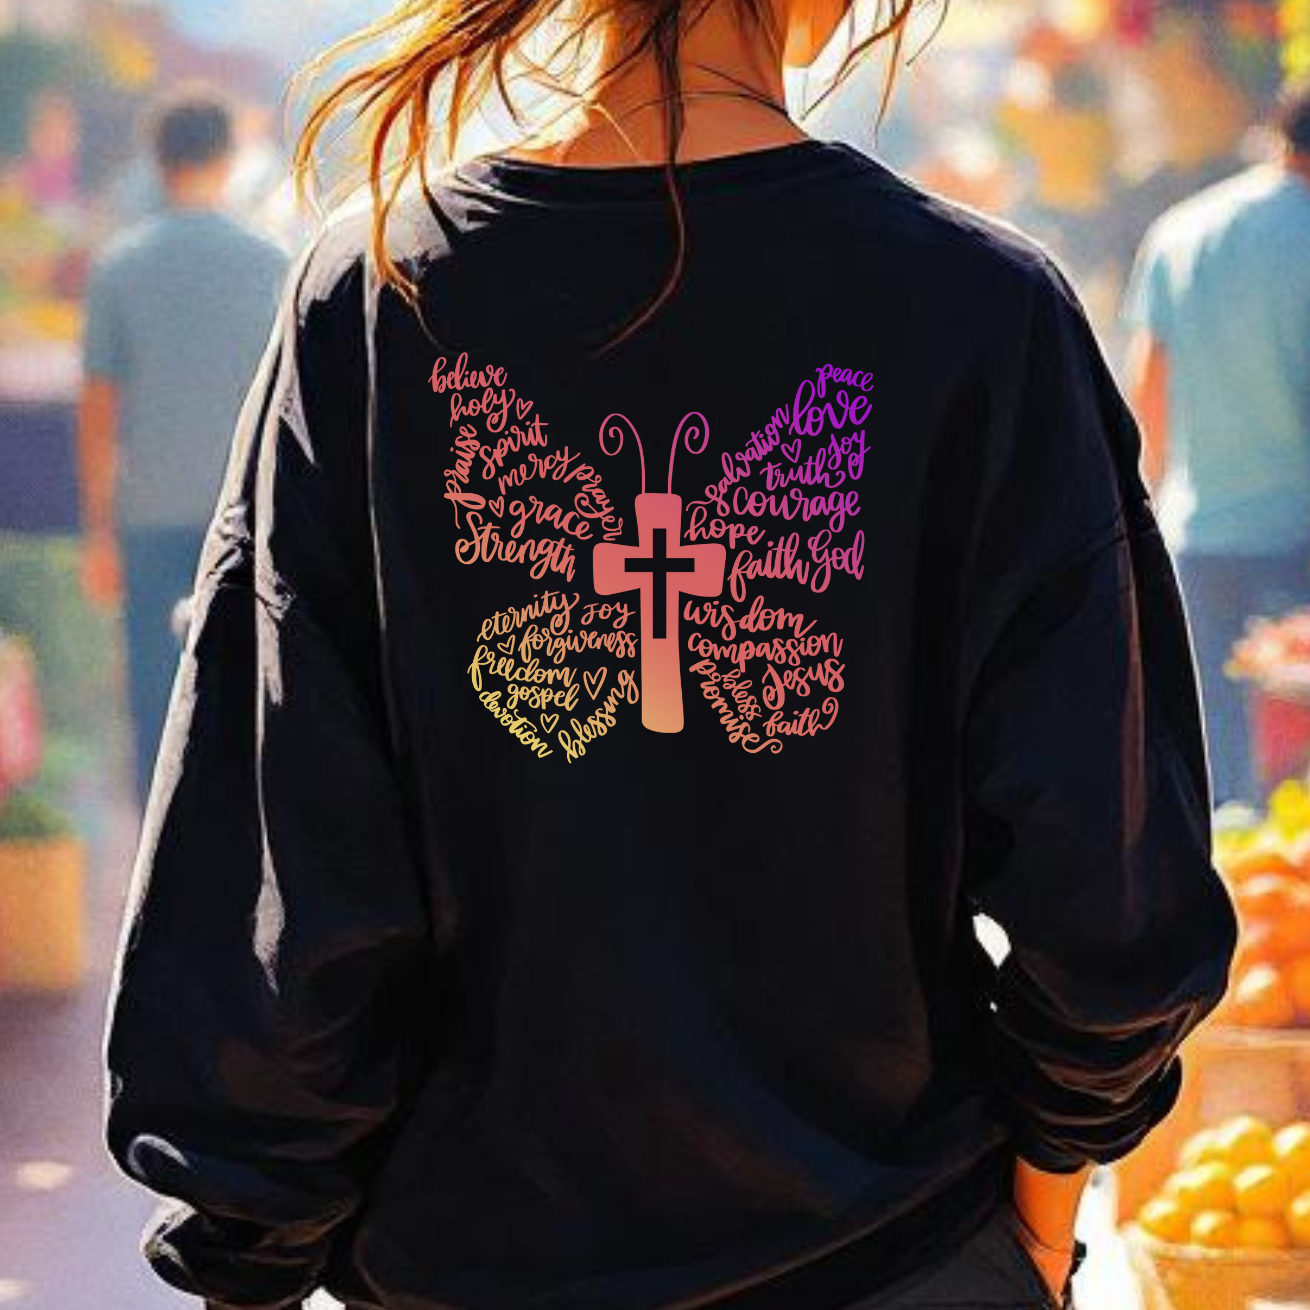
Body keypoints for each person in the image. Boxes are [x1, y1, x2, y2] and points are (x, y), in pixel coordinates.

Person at [101, 2, 1239, 1309]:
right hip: (895, 1253)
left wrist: (250, 1253)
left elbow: (272, 868)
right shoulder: (979, 310)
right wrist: (1040, 1232)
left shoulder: (374, 299)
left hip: (470, 1264)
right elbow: (1104, 886)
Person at [78, 87, 289, 811]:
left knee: (154, 695)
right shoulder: (271, 263)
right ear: (229, 158)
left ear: (155, 159)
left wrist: (98, 530)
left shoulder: (118, 267)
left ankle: (156, 860)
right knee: (246, 690)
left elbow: (99, 411)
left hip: (147, 514)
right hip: (247, 515)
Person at [1122, 79, 1310, 808]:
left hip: (1200, 539)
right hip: (1298, 543)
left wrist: (1151, 514)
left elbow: (1148, 389)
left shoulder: (1182, 230)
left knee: (1223, 774)